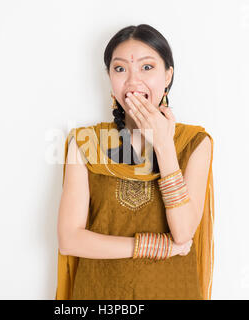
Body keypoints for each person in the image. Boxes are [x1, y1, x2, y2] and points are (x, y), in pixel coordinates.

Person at [55, 24, 215, 300]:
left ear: (168, 76)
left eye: (147, 67)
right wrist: (155, 247)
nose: (132, 81)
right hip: (100, 294)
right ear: (109, 77)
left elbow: (184, 232)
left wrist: (164, 145)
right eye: (120, 69)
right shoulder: (85, 142)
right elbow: (69, 240)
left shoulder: (194, 142)